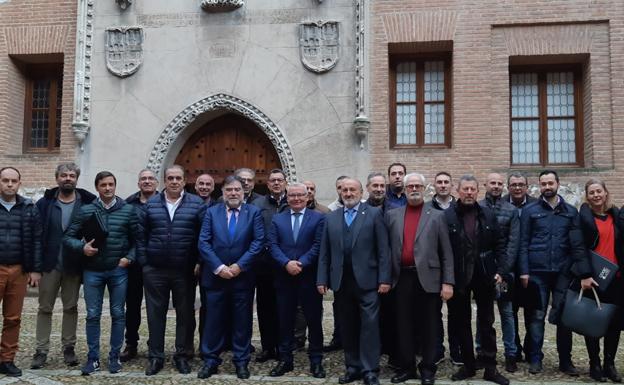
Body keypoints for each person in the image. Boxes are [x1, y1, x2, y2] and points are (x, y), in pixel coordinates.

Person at [63, 171, 138, 375]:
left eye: (111, 184)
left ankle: (114, 357)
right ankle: (93, 358)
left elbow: (138, 240)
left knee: (118, 313)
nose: (107, 188)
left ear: (115, 186)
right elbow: (68, 237)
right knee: (93, 315)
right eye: (103, 185)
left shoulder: (128, 210)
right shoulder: (86, 210)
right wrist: (82, 247)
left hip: (118, 270)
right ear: (97, 187)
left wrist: (129, 258)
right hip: (93, 271)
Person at [317, 178, 391, 385]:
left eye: (353, 190)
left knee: (369, 326)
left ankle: (369, 370)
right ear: (340, 192)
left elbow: (383, 250)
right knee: (347, 326)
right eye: (345, 190)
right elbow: (325, 252)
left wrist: (385, 278)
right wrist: (322, 278)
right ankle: (353, 367)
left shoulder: (374, 214)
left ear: (361, 192)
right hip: (341, 282)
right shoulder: (331, 218)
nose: (348, 193)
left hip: (368, 281)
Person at [518, 170, 590, 376]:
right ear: (539, 186)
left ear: (558, 184)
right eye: (543, 184)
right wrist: (524, 271)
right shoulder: (530, 211)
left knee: (563, 318)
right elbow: (523, 243)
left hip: (563, 273)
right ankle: (535, 359)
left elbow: (577, 244)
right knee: (536, 316)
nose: (547, 187)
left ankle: (565, 361)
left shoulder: (570, 212)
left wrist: (578, 270)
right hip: (537, 272)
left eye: (550, 183)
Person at [384, 173, 454, 385]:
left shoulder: (436, 215)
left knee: (430, 325)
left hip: (429, 278)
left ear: (424, 189)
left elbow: (446, 252)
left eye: (418, 186)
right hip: (401, 277)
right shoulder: (392, 215)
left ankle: (428, 369)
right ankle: (407, 367)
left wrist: (448, 281)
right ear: (404, 190)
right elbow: (386, 251)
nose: (414, 189)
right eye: (410, 186)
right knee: (403, 324)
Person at [137, 165, 206, 375]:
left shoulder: (197, 204)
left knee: (185, 315)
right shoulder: (151, 205)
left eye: (178, 178)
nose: (174, 181)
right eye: (170, 178)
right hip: (155, 269)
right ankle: (156, 357)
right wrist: (145, 264)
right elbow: (140, 237)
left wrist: (200, 262)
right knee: (155, 314)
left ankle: (182, 355)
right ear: (164, 181)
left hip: (184, 270)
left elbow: (204, 236)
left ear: (185, 181)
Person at [197, 175, 264, 379]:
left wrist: (238, 266)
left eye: (237, 190)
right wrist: (219, 267)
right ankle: (210, 360)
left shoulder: (253, 213)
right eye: (229, 190)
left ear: (243, 192)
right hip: (215, 277)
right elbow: (204, 242)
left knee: (242, 322)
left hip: (242, 278)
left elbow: (258, 242)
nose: (233, 193)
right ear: (223, 192)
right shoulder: (211, 213)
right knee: (213, 321)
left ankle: (241, 361)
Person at [445, 175, 509, 385]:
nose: (469, 192)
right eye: (465, 189)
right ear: (458, 190)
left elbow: (500, 244)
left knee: (487, 323)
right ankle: (469, 365)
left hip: (485, 274)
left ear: (477, 191)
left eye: (473, 189)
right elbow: (442, 249)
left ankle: (490, 367)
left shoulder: (488, 214)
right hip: (459, 276)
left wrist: (501, 270)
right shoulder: (447, 216)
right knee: (460, 322)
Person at [32, 163, 95, 370]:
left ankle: (69, 347)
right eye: (63, 175)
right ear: (57, 178)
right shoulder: (45, 203)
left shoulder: (86, 202)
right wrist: (35, 267)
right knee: (44, 308)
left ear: (76, 179)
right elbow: (36, 235)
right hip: (50, 264)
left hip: (74, 265)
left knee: (71, 307)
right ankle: (41, 350)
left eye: (71, 175)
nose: (68, 178)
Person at [268, 183, 326, 378]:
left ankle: (316, 360)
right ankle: (285, 360)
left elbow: (319, 245)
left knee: (314, 320)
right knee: (284, 321)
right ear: (287, 197)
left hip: (308, 277)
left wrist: (301, 263)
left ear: (307, 197)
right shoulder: (277, 219)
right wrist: (286, 263)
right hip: (284, 278)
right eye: (292, 195)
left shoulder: (318, 218)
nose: (296, 199)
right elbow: (272, 245)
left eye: (300, 195)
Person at [578, 179, 622, 382]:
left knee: (614, 323)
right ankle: (594, 363)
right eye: (592, 192)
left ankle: (609, 364)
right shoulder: (583, 219)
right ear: (587, 196)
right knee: (594, 322)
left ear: (606, 193)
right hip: (593, 280)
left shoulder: (617, 217)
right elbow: (578, 249)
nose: (596, 195)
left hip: (616, 279)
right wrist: (584, 275)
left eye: (599, 191)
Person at [0, 167, 42, 377]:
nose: (9, 184)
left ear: (19, 183)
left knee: (13, 318)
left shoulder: (28, 207)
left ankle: (7, 359)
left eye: (13, 181)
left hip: (18, 269)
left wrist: (35, 269)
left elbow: (36, 240)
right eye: (5, 180)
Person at [477, 173, 520, 373]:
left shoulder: (511, 211)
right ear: (485, 184)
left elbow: (513, 244)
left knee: (506, 311)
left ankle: (511, 353)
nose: (496, 186)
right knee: (483, 314)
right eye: (492, 183)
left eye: (499, 183)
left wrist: (502, 271)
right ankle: (481, 351)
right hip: (483, 270)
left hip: (503, 273)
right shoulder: (478, 207)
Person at [120, 168, 158, 363]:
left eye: (151, 178)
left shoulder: (163, 202)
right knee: (132, 306)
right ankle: (131, 344)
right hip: (133, 264)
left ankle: (155, 344)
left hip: (156, 263)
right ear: (138, 183)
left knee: (155, 306)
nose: (147, 181)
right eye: (143, 179)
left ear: (157, 183)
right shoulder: (128, 204)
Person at [252, 169, 289, 362]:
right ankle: (268, 347)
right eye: (272, 180)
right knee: (265, 308)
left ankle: (284, 347)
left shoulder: (292, 201)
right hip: (264, 266)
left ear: (285, 182)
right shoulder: (258, 204)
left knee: (284, 308)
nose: (276, 183)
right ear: (267, 184)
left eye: (279, 180)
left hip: (285, 266)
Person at [502, 172, 537, 363]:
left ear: (527, 187)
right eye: (513, 185)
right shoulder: (501, 205)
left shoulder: (535, 205)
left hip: (530, 267)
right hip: (508, 268)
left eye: (521, 184)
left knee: (531, 311)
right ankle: (514, 350)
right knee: (510, 311)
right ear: (508, 187)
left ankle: (531, 349)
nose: (517, 188)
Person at [430, 171, 459, 365]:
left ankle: (456, 350)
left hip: (456, 266)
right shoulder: (427, 208)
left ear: (451, 185)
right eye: (439, 182)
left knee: (456, 313)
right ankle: (437, 349)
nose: (442, 185)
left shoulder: (459, 208)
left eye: (446, 182)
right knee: (433, 313)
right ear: (434, 185)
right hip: (432, 268)